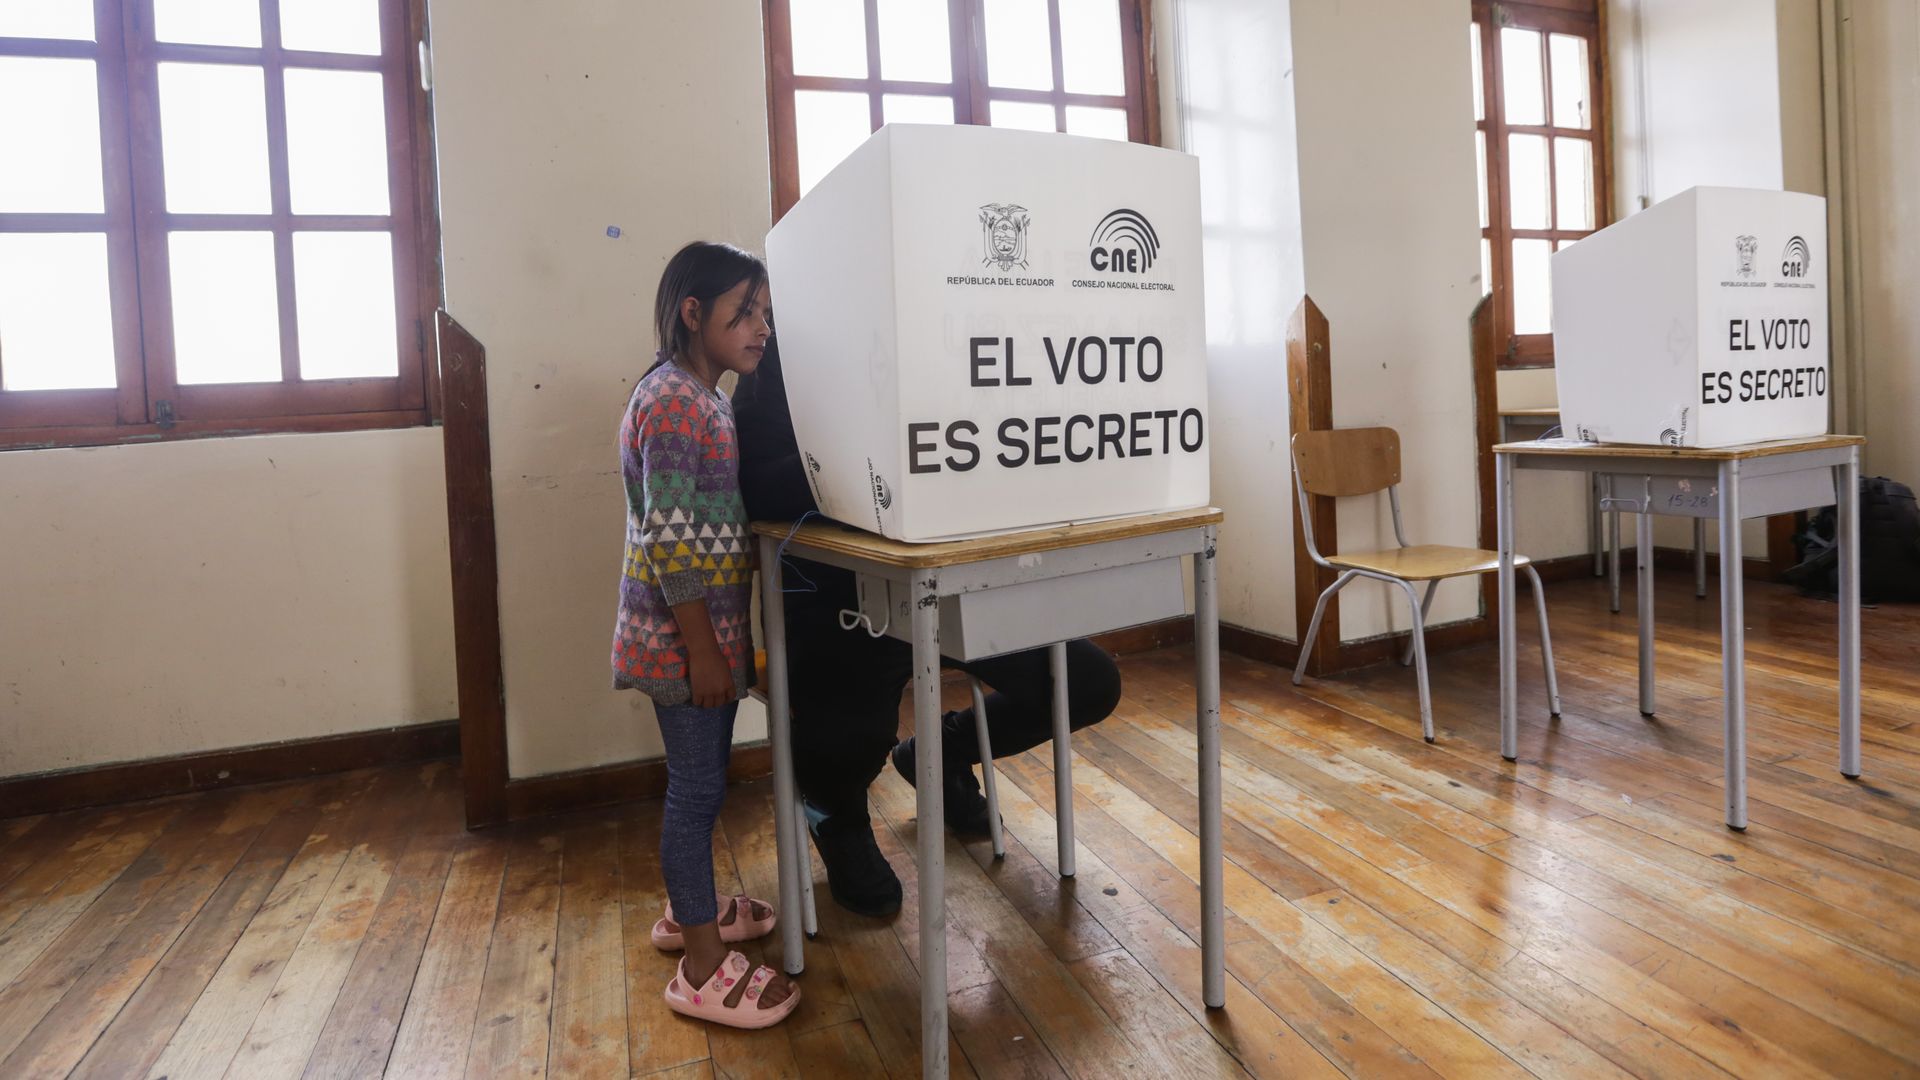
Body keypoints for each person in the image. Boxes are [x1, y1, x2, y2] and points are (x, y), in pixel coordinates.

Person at [734, 338, 1123, 917]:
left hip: (959, 585)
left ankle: (939, 753)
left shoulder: (943, 328)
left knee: (1088, 683)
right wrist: (874, 449)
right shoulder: (777, 358)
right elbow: (759, 490)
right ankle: (836, 814)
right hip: (840, 600)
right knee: (849, 734)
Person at [613, 241, 798, 1028]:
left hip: (702, 639)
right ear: (694, 314)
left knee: (704, 784)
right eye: (743, 312)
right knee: (695, 795)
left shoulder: (705, 397)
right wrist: (704, 651)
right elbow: (667, 539)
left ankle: (686, 912)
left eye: (763, 312)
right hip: (681, 644)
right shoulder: (674, 403)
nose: (761, 327)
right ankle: (697, 962)